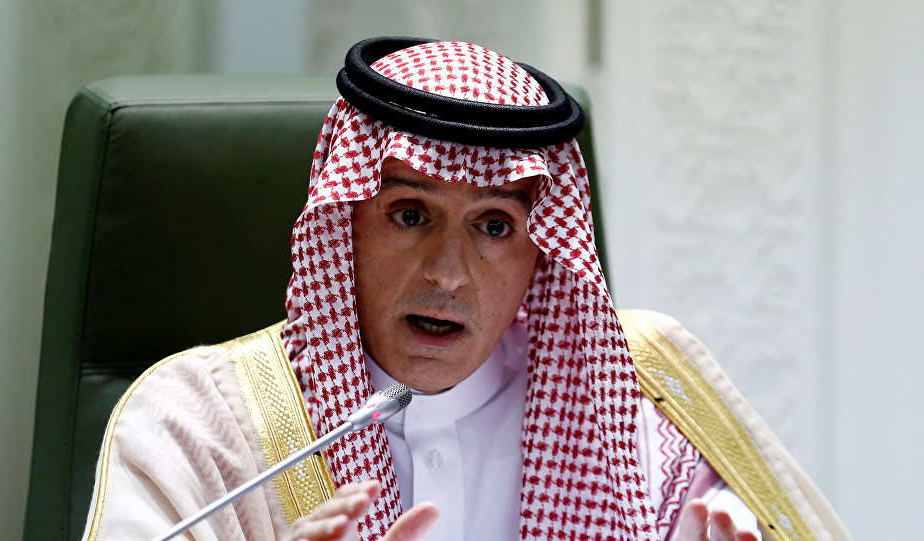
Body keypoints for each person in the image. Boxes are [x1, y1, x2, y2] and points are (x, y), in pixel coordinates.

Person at [81, 38, 847, 541]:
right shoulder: (193, 429)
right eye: (410, 214)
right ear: (345, 224)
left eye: (494, 226)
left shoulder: (644, 431)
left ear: (543, 252)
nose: (448, 273)